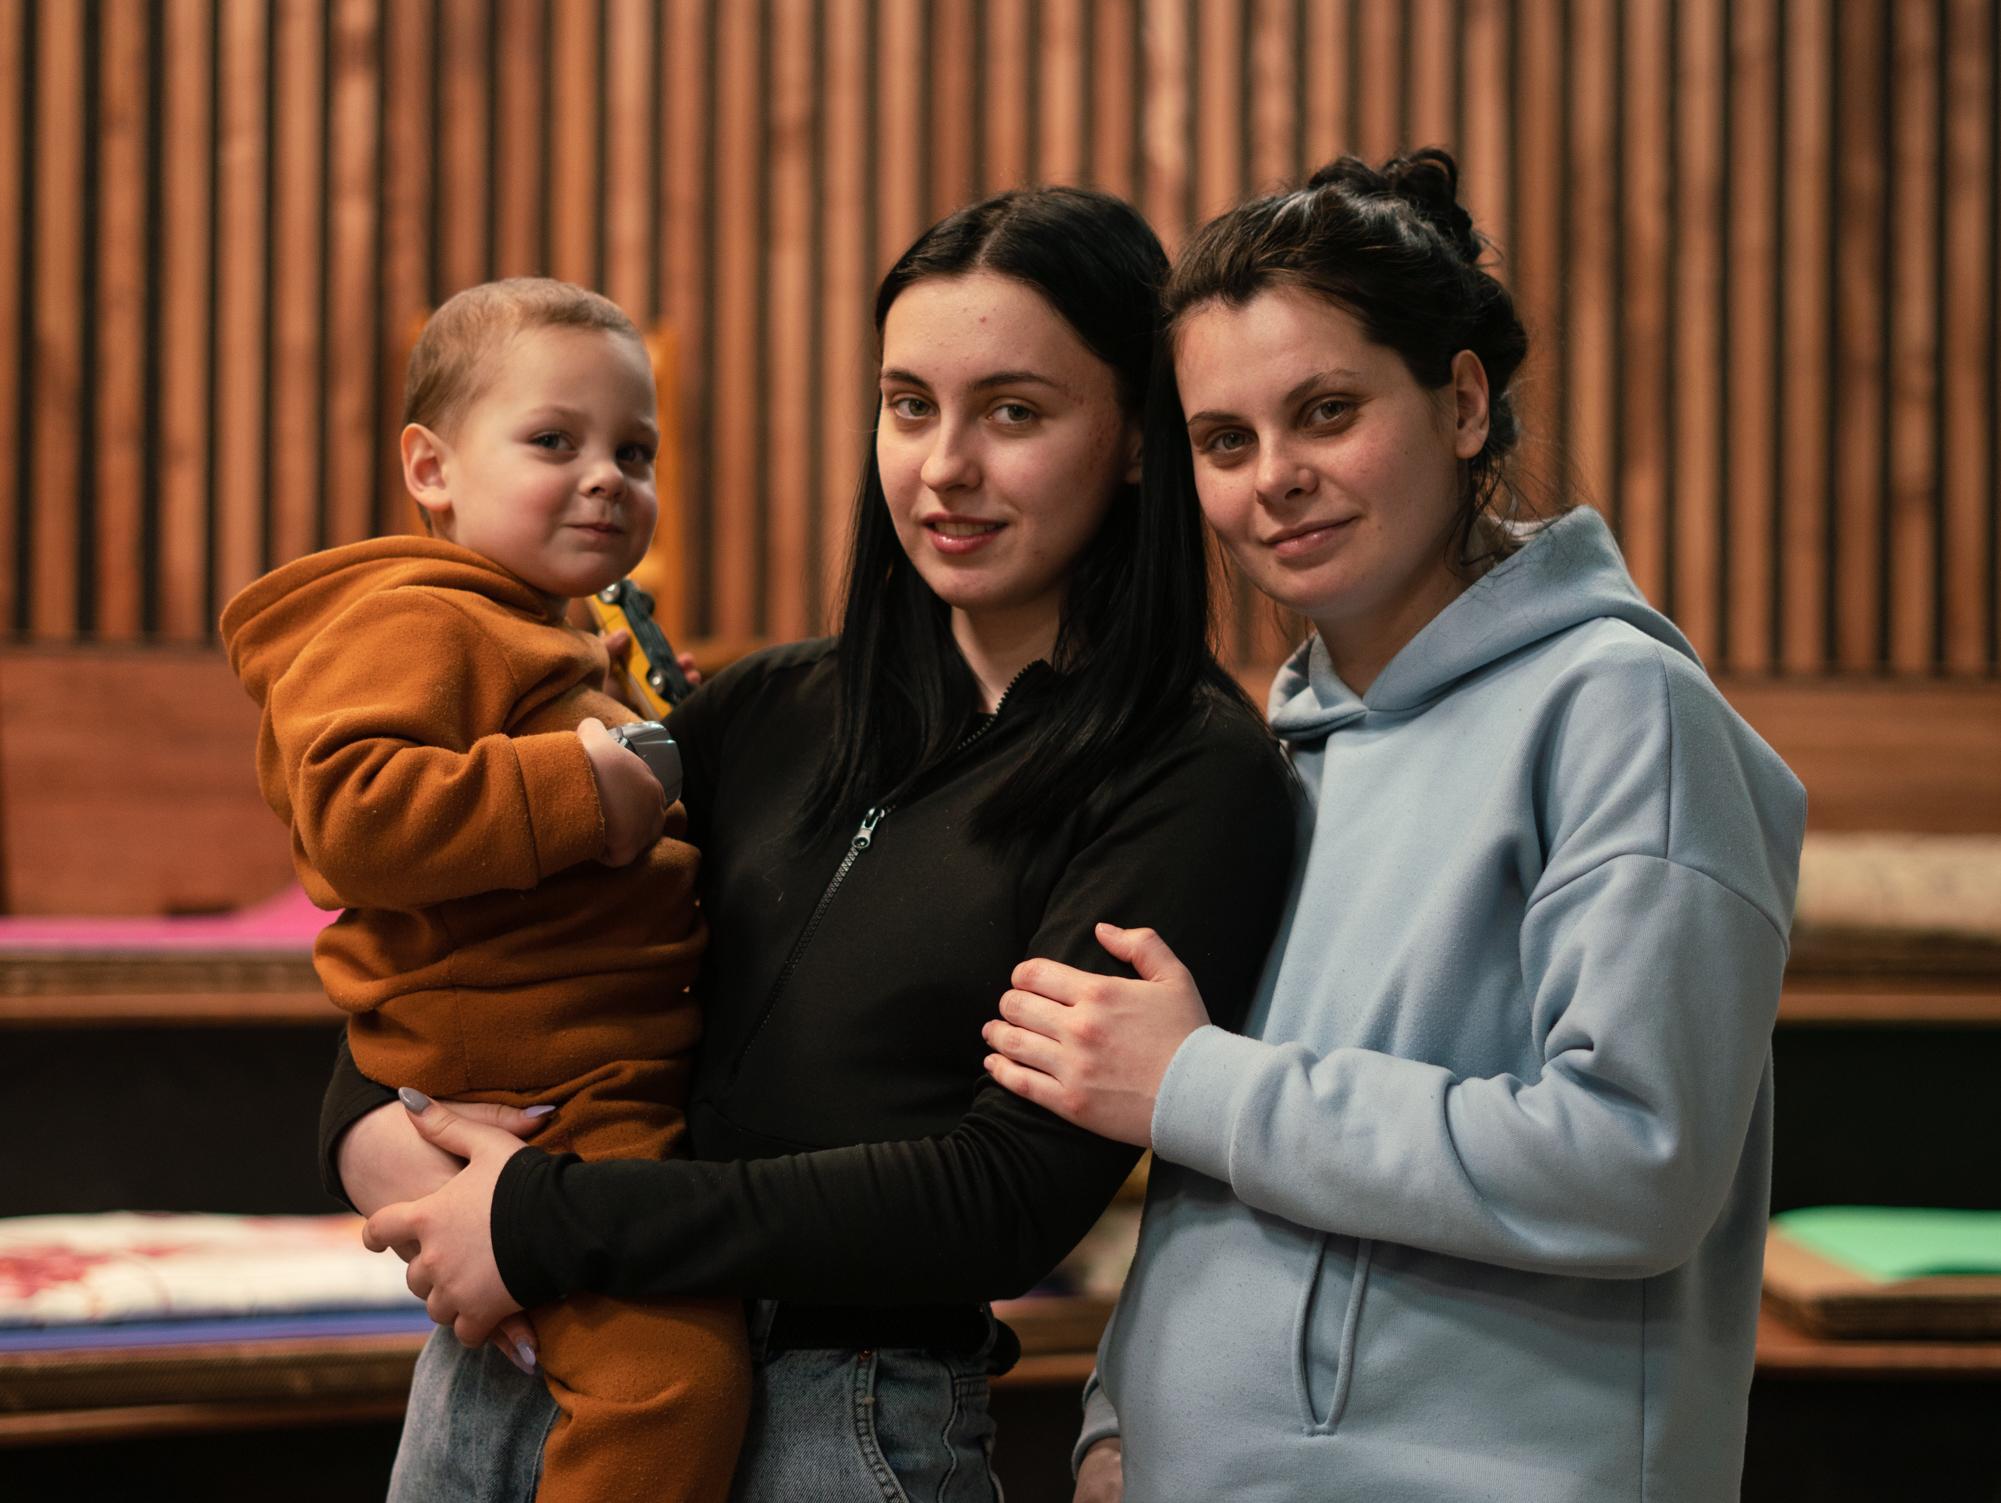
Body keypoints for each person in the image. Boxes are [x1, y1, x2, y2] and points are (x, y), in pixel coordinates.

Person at [323, 187, 1298, 1502]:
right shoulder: (764, 705)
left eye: (1013, 411)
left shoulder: (1187, 767)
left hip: (838, 1419)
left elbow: (999, 1190)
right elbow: (480, 956)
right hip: (520, 1359)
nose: (943, 465)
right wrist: (376, 1134)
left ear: (1134, 437)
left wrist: (545, 1215)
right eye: (909, 405)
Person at [983, 150, 1806, 1501]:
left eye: (1326, 411)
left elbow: (1633, 1162)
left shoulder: (1625, 709)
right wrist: (1121, 1415)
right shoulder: (1282, 742)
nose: (1276, 479)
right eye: (1224, 441)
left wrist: (1192, 1080)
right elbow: (1225, 1169)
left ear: (1463, 401)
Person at [221, 280, 752, 1503]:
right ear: (431, 468)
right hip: (533, 1078)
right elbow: (351, 816)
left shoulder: (548, 631)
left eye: (635, 450)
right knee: (672, 1378)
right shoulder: (414, 622)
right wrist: (579, 780)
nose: (607, 476)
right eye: (553, 441)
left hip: (592, 1059)